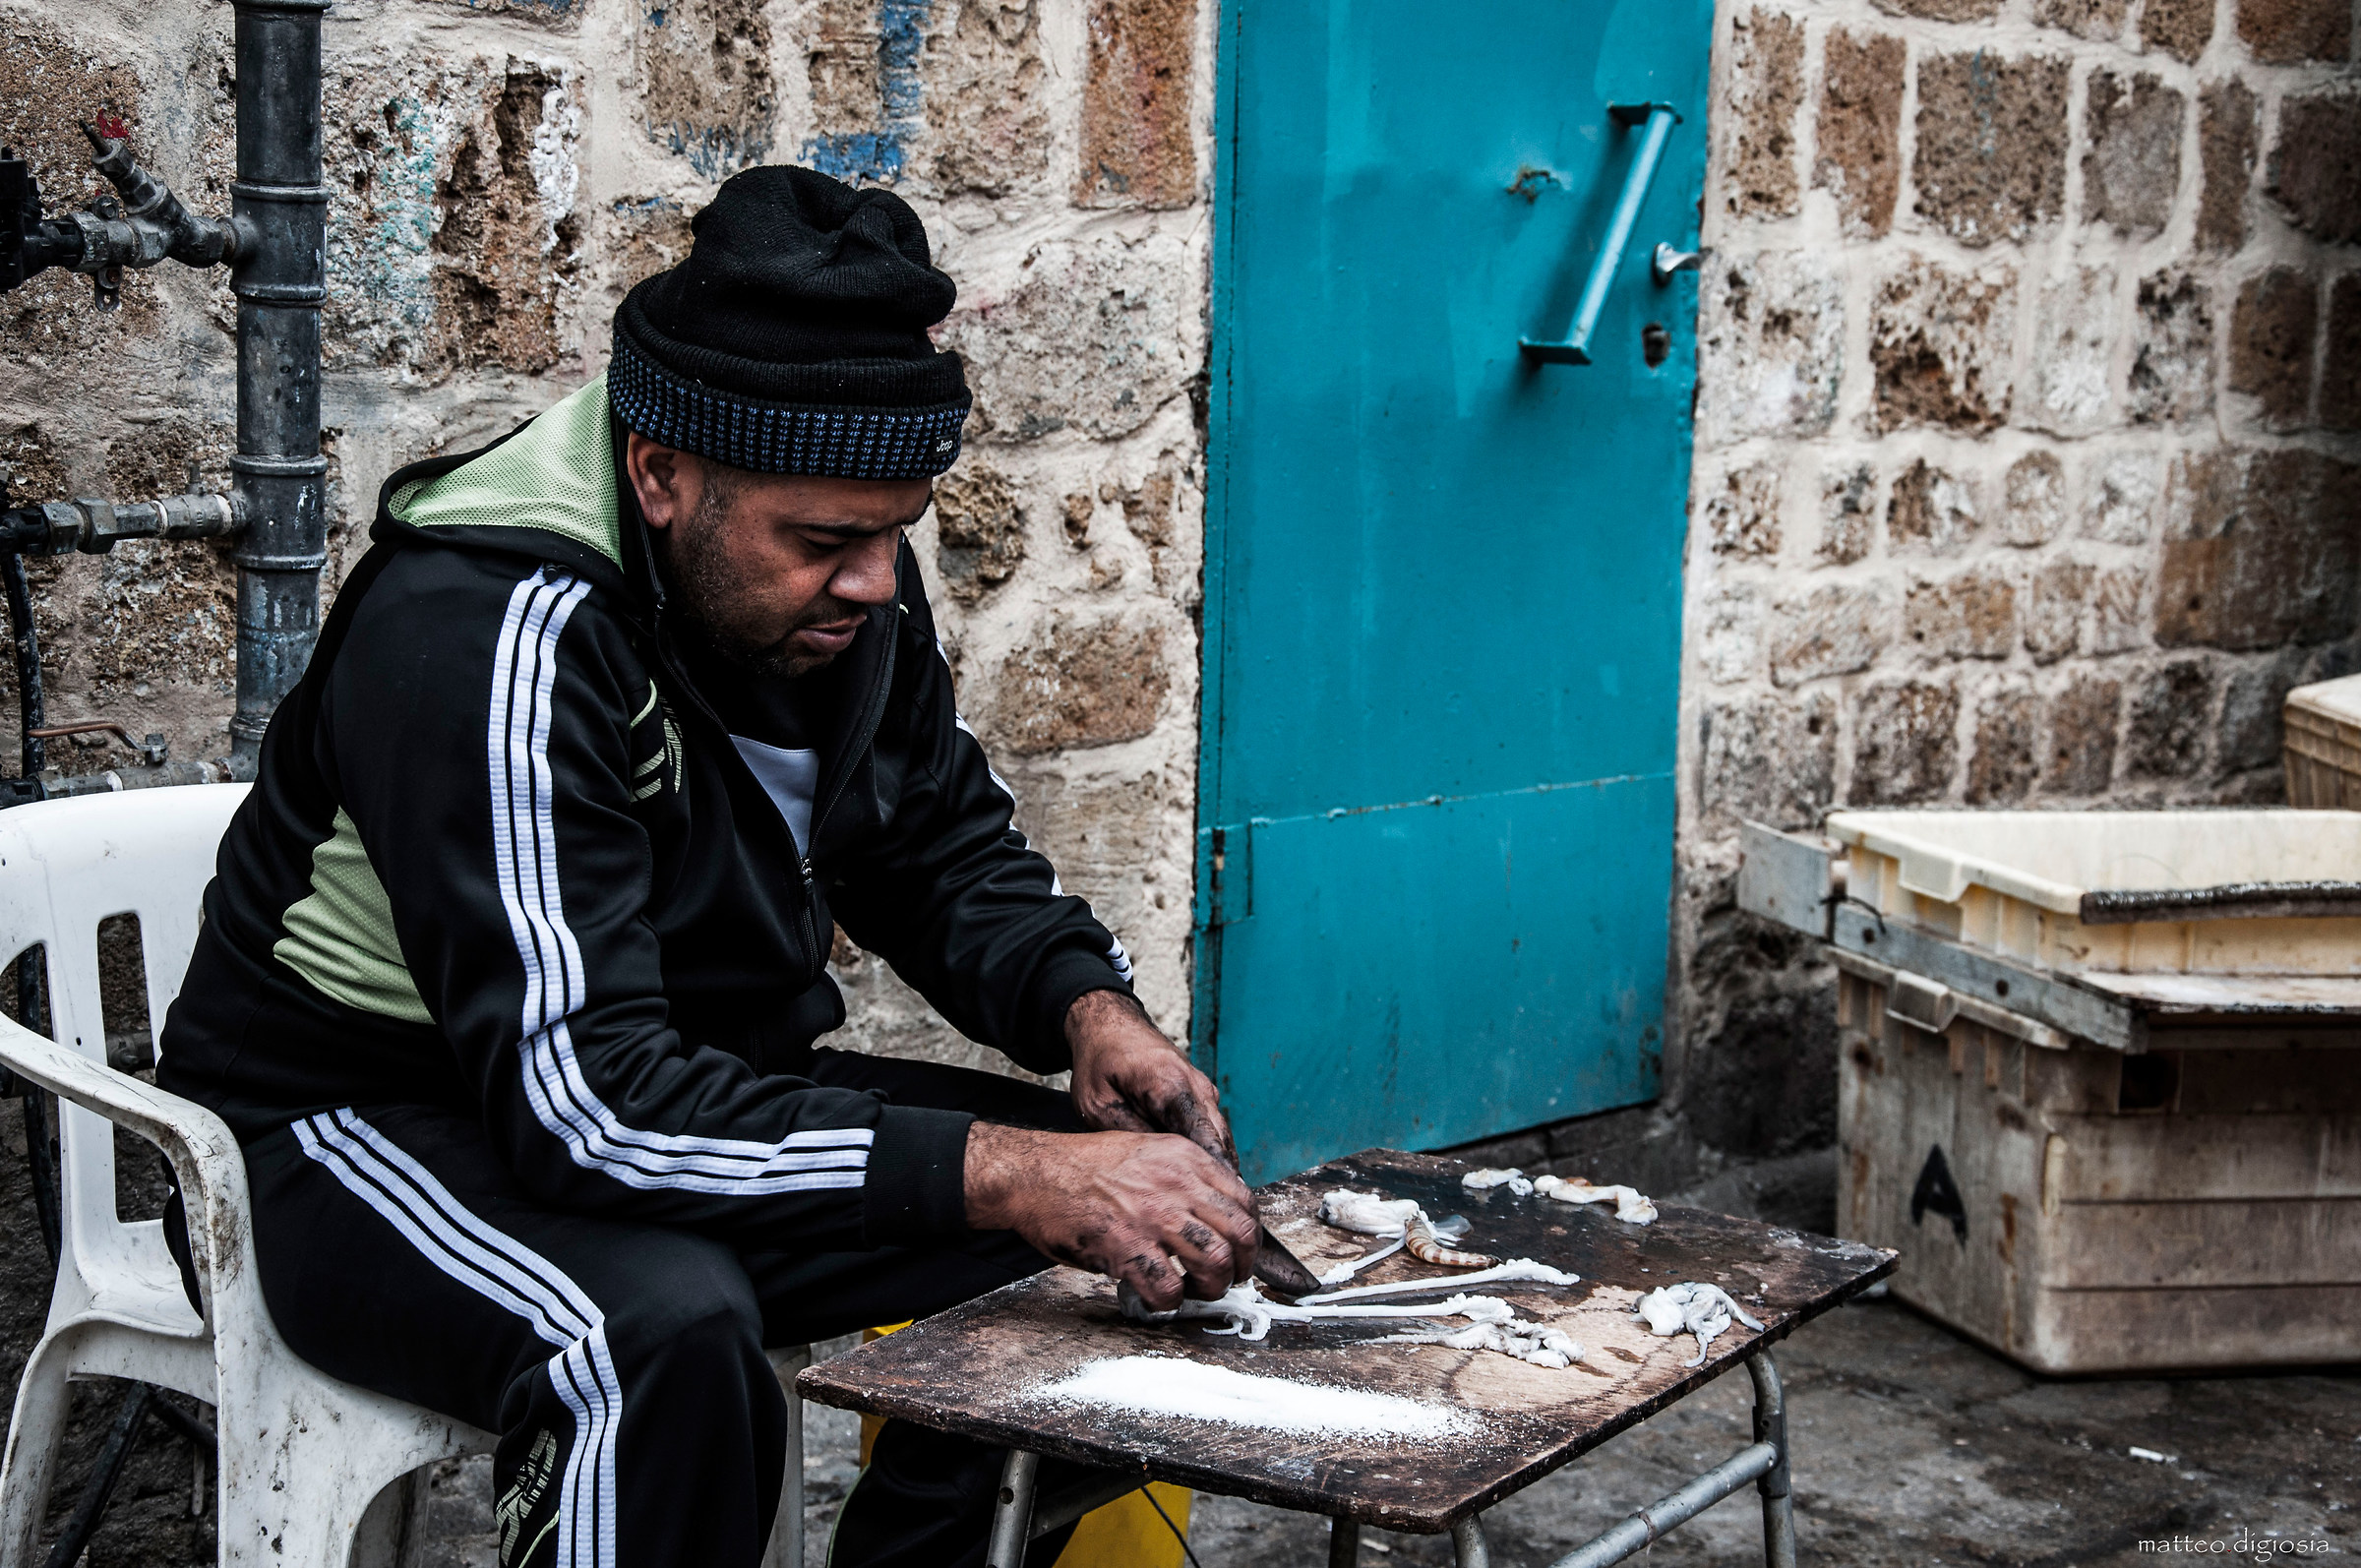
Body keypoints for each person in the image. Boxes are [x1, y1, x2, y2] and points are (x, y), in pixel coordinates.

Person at [156, 164, 1261, 1568]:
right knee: (652, 1336)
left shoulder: (828, 587)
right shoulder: (495, 627)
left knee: (1107, 1241)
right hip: (349, 1129)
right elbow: (584, 1106)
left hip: (653, 1076)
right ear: (662, 474)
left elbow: (923, 834)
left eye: (893, 533)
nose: (873, 580)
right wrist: (1008, 1169)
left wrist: (1080, 1006)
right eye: (825, 542)